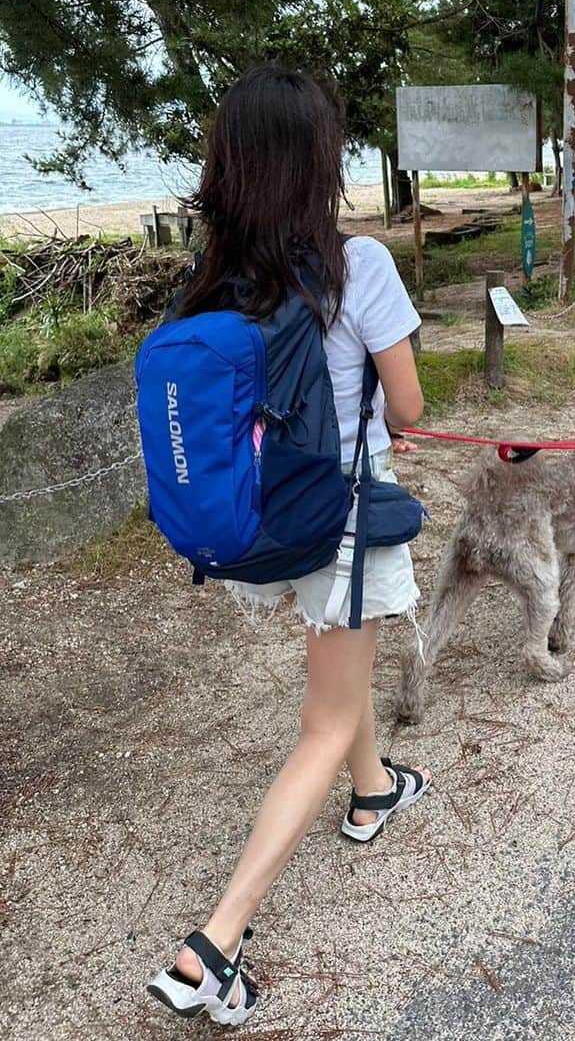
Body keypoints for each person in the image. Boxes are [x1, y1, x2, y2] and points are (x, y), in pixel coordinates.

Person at [146, 64, 432, 1026]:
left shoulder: (213, 281)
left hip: (260, 517)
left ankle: (374, 790)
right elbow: (409, 406)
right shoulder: (361, 268)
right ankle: (212, 947)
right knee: (321, 715)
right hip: (339, 514)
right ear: (321, 161)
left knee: (337, 673)